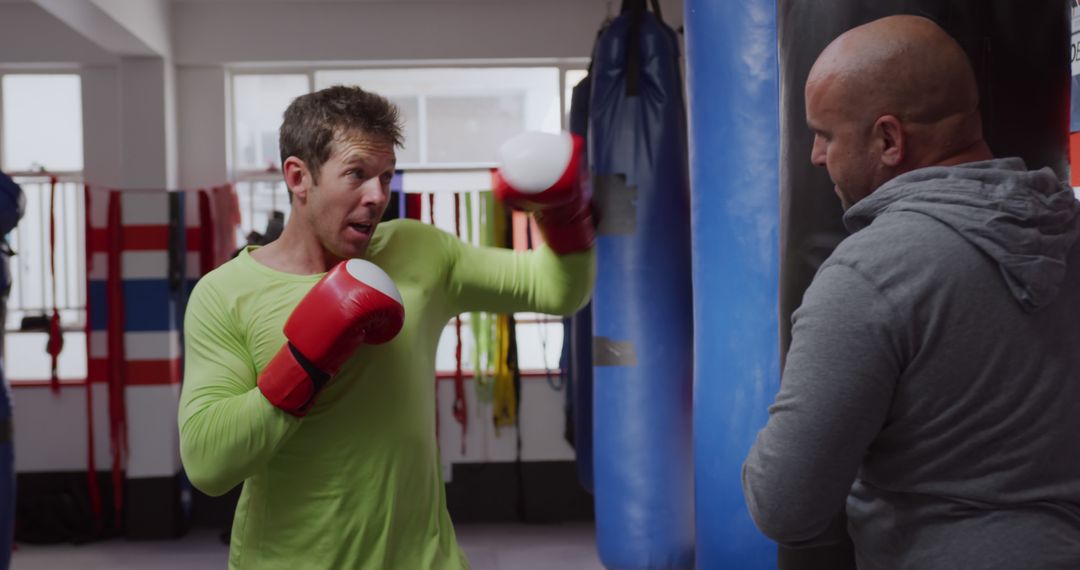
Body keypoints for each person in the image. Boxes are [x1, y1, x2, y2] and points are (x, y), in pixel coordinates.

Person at [178, 85, 596, 569]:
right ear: (299, 177)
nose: (378, 197)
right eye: (356, 174)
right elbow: (208, 466)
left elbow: (556, 291)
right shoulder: (226, 293)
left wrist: (567, 215)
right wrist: (305, 364)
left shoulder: (419, 252)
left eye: (386, 176)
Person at [742, 14, 1080, 569]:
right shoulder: (1069, 231)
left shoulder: (871, 273)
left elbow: (786, 508)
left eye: (825, 134)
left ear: (888, 139)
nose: (816, 156)